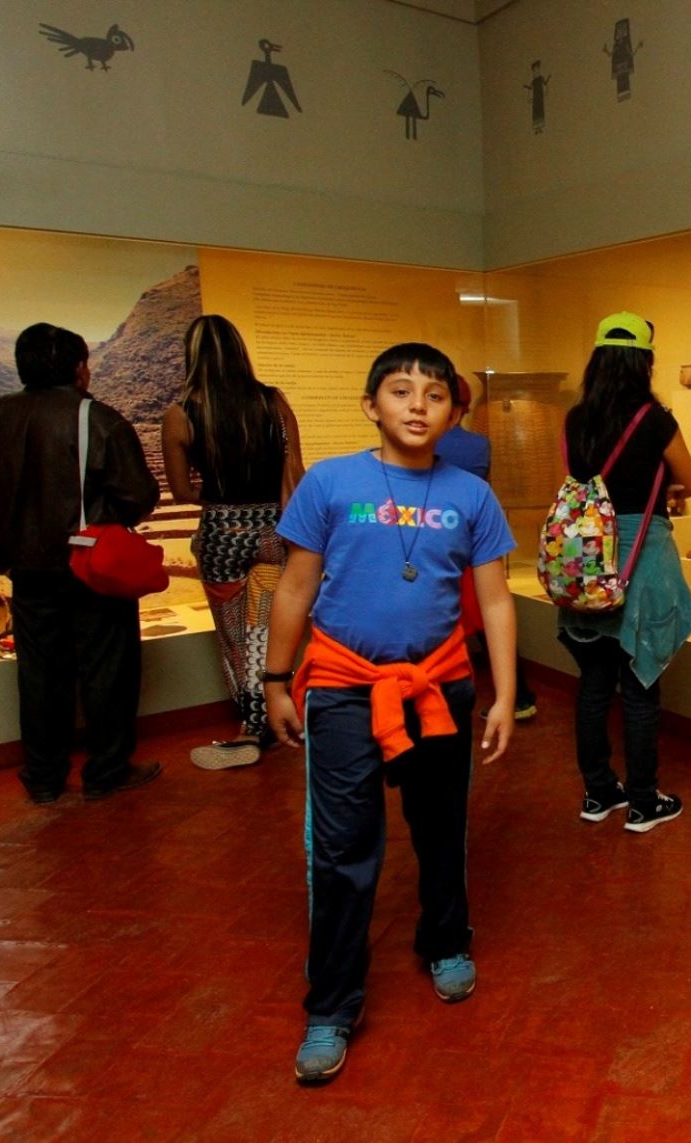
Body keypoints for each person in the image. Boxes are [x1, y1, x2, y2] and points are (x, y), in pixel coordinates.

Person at [260, 342, 517, 1084]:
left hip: (439, 686)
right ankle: (332, 1004)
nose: (416, 405)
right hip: (343, 688)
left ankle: (445, 940)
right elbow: (294, 587)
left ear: (452, 412)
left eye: (434, 394)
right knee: (344, 848)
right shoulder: (330, 482)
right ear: (372, 405)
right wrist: (278, 681)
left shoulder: (470, 493)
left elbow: (495, 600)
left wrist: (502, 693)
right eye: (400, 391)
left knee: (441, 828)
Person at [0, 322, 163, 803]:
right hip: (92, 568)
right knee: (108, 670)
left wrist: (5, 557)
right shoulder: (100, 420)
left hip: (27, 572)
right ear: (79, 368)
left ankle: (45, 779)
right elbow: (136, 498)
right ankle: (107, 772)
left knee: (40, 674)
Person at [557, 312, 691, 833]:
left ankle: (598, 793)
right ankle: (643, 801)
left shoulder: (576, 419)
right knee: (640, 682)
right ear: (645, 361)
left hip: (589, 554)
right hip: (641, 554)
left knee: (593, 683)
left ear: (597, 357)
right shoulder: (653, 418)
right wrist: (664, 489)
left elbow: (583, 486)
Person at [161, 314, 304, 770]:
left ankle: (251, 727)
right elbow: (293, 475)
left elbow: (182, 491)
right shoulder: (272, 403)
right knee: (269, 627)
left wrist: (224, 504)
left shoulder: (181, 414)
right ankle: (282, 716)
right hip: (273, 530)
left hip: (222, 535)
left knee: (234, 637)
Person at [438, 372, 538, 723]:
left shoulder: (433, 447)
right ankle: (520, 695)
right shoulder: (478, 445)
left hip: (440, 548)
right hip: (472, 545)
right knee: (488, 621)